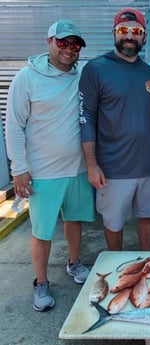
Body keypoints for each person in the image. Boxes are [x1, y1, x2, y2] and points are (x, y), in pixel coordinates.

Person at [5, 19, 95, 312]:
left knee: (74, 220)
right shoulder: (26, 78)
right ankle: (41, 281)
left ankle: (73, 262)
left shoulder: (82, 74)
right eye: (63, 42)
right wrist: (18, 168)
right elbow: (14, 126)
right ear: (49, 42)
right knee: (41, 231)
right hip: (43, 172)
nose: (69, 49)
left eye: (75, 44)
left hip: (78, 168)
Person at [79, 7, 150, 251]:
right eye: (123, 30)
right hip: (113, 168)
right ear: (114, 33)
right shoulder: (96, 69)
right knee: (114, 222)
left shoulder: (148, 70)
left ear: (144, 36)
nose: (129, 36)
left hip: (149, 165)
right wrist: (91, 164)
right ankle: (115, 264)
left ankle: (146, 262)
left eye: (136, 31)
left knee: (148, 216)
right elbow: (85, 116)